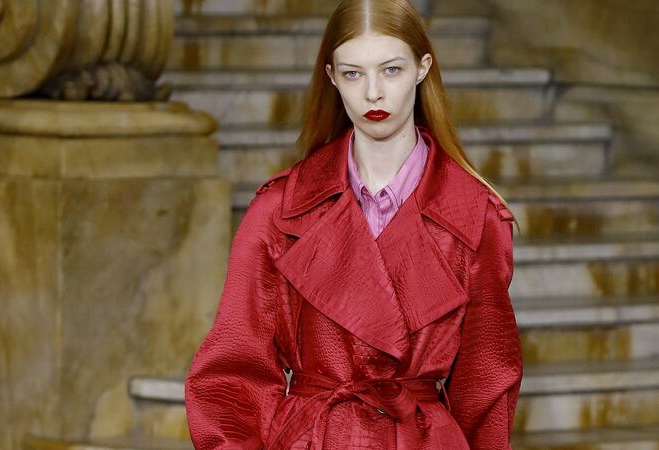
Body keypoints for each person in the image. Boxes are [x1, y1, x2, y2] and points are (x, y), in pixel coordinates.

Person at [184, 0, 522, 448]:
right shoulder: (280, 211)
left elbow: (486, 384)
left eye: (391, 70)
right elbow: (231, 372)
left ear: (423, 68)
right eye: (353, 73)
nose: (373, 94)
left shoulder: (475, 216)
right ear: (331, 77)